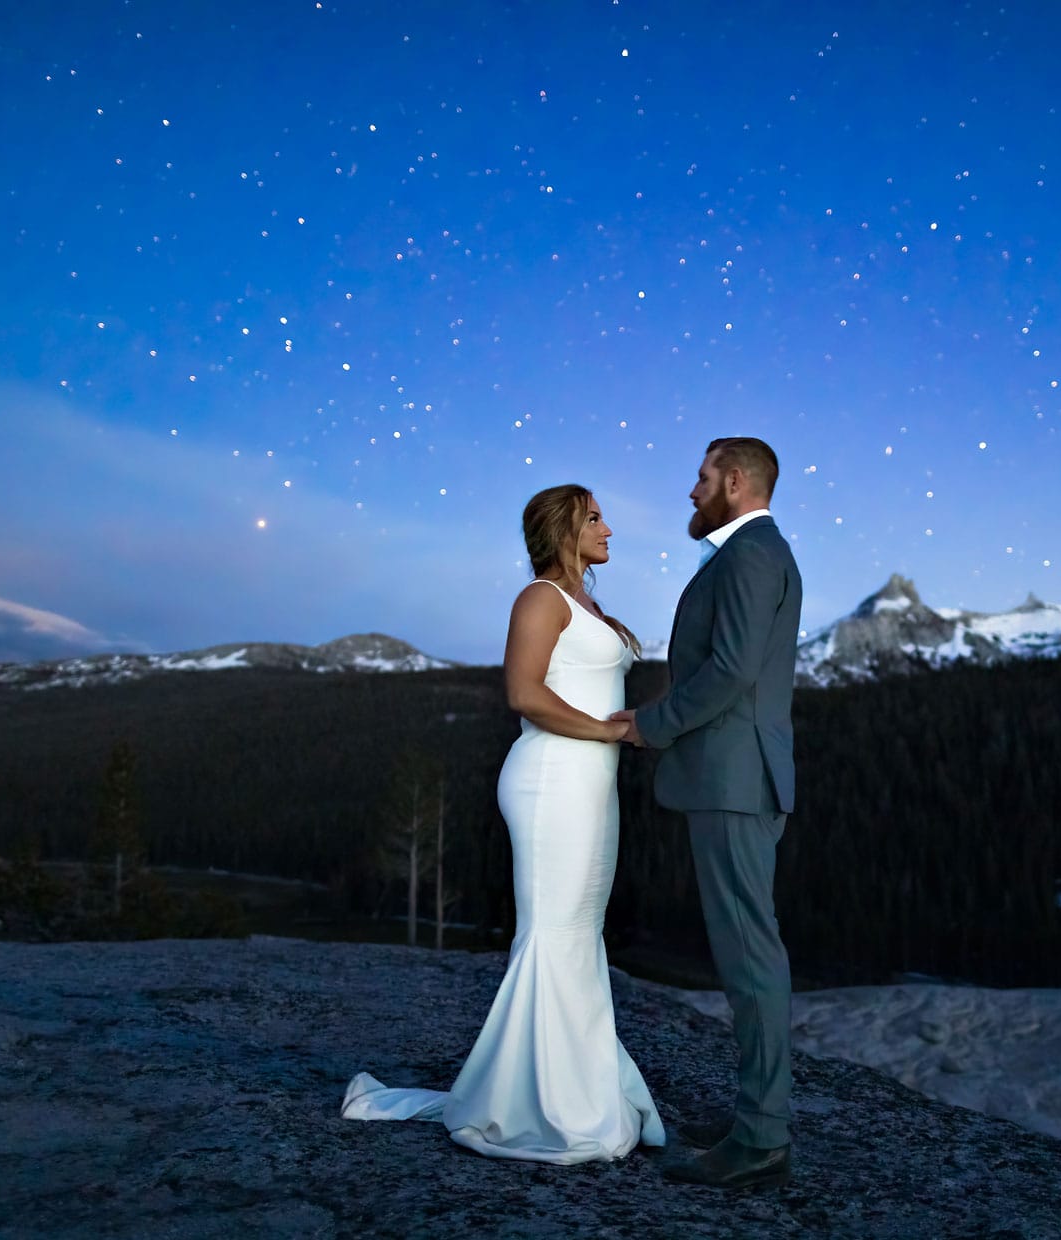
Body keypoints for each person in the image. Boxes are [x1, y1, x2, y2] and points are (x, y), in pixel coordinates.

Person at [342, 485, 665, 1164]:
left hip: (589, 783)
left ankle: (578, 1091)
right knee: (552, 930)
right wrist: (611, 731)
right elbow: (524, 693)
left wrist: (615, 736)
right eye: (596, 517)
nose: (610, 528)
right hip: (552, 780)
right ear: (563, 529)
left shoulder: (586, 604)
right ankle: (534, 1103)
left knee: (578, 932)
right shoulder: (541, 599)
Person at [612, 436, 802, 1190]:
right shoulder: (748, 553)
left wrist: (648, 726)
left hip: (734, 781)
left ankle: (761, 1139)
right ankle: (756, 1123)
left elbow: (730, 671)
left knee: (751, 957)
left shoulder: (752, 552)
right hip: (732, 779)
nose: (690, 491)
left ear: (733, 480)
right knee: (748, 953)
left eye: (700, 478)